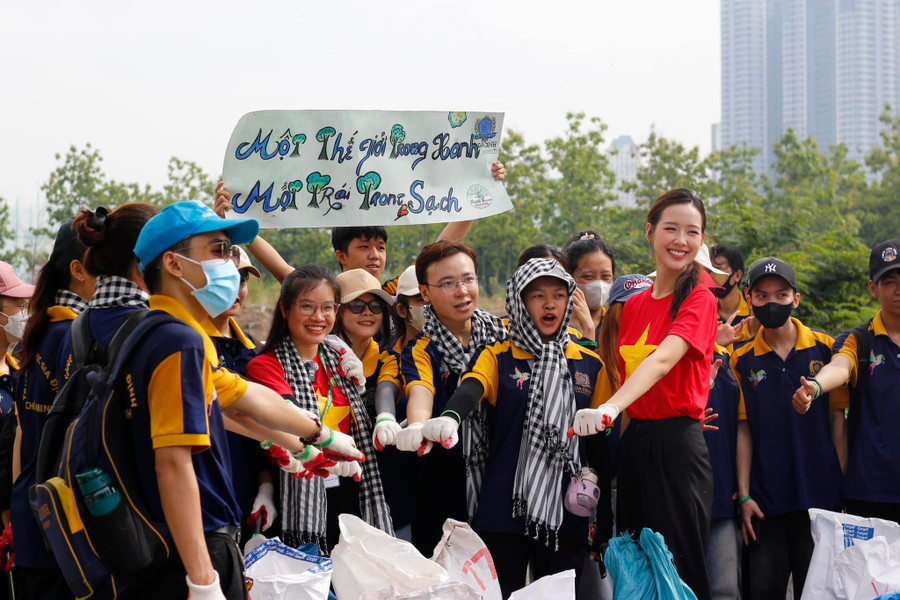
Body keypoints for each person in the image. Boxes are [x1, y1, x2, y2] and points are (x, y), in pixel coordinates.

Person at [64, 201, 362, 599]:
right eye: (218, 250)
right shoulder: (177, 342)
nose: (229, 262)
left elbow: (237, 398)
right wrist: (203, 580)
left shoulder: (154, 330)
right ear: (173, 264)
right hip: (187, 548)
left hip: (160, 544)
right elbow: (173, 464)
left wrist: (314, 437)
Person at [420, 258, 608, 598]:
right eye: (537, 296)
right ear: (520, 303)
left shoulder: (589, 364)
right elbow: (472, 388)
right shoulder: (499, 356)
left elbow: (601, 446)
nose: (549, 304)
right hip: (502, 510)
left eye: (558, 295)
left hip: (565, 514)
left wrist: (604, 519)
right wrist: (450, 417)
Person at [570, 189, 719, 600]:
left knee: (678, 568)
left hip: (677, 449)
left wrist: (610, 408)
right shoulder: (633, 306)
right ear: (650, 232)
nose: (681, 240)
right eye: (671, 228)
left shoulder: (699, 298)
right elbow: (622, 375)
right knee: (633, 565)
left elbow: (661, 361)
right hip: (636, 443)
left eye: (693, 232)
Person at [245, 265, 393, 552]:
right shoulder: (264, 366)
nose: (318, 317)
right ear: (286, 310)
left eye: (328, 308)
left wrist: (360, 389)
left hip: (350, 488)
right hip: (294, 491)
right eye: (308, 307)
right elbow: (283, 418)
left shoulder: (340, 360)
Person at [731, 257, 847, 600]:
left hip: (820, 501)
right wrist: (745, 495)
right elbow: (744, 429)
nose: (771, 303)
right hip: (765, 502)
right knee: (763, 590)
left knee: (818, 592)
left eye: (781, 295)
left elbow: (837, 421)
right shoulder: (741, 360)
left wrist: (838, 484)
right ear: (748, 298)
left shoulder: (827, 348)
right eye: (762, 296)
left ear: (795, 299)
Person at [214, 162, 507, 294]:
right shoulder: (325, 293)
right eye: (364, 247)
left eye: (380, 247)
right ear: (341, 256)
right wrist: (235, 218)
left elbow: (440, 249)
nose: (375, 256)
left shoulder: (397, 291)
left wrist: (480, 190)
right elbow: (282, 270)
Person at [395, 240, 508, 554]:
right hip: (441, 488)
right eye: (448, 283)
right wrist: (418, 426)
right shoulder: (421, 348)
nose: (462, 291)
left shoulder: (505, 336)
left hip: (500, 483)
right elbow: (421, 390)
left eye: (468, 279)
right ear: (426, 293)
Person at [793, 238, 900, 523]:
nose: (898, 289)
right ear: (873, 288)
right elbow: (840, 367)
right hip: (870, 491)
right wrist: (815, 387)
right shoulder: (859, 340)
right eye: (889, 281)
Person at [9, 222, 86, 599]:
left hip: (32, 513)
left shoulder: (38, 333)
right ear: (79, 270)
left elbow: (23, 434)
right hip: (65, 524)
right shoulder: (78, 338)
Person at [331, 268, 418, 540]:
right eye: (356, 305)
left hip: (386, 487)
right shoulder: (317, 358)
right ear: (337, 311)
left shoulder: (387, 358)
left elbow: (387, 388)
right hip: (333, 485)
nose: (367, 312)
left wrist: (385, 417)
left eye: (375, 306)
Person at [200, 246, 274, 544]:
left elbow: (264, 434)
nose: (235, 288)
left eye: (241, 279)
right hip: (201, 501)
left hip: (247, 502)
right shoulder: (187, 345)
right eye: (225, 278)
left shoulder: (255, 353)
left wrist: (266, 486)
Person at [564, 231, 615, 342]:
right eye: (588, 276)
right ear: (569, 277)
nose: (599, 284)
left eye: (606, 276)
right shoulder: (557, 327)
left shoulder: (616, 325)